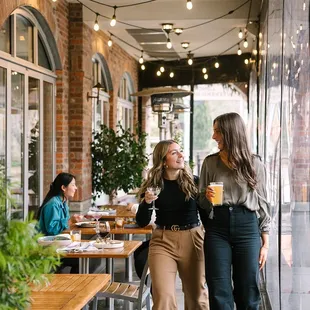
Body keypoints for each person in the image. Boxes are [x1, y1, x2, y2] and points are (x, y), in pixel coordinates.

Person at [199, 112, 271, 310]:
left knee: (248, 289)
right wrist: (206, 197)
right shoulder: (210, 163)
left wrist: (265, 241)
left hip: (247, 227)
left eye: (217, 132)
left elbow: (263, 202)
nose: (214, 137)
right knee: (218, 289)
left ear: (230, 133)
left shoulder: (254, 163)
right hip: (217, 228)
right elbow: (202, 204)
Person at [136, 140, 209, 310]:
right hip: (163, 240)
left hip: (193, 239)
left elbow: (205, 215)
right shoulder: (153, 185)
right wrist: (146, 203)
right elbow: (142, 221)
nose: (181, 155)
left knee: (197, 296)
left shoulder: (194, 182)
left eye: (180, 151)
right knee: (163, 298)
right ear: (163, 161)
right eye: (174, 153)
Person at [37, 172, 79, 273]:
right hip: (48, 248)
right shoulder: (53, 204)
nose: (76, 188)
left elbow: (63, 227)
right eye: (73, 185)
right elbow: (52, 230)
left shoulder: (63, 202)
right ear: (63, 188)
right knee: (79, 260)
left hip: (57, 245)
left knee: (81, 258)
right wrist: (70, 221)